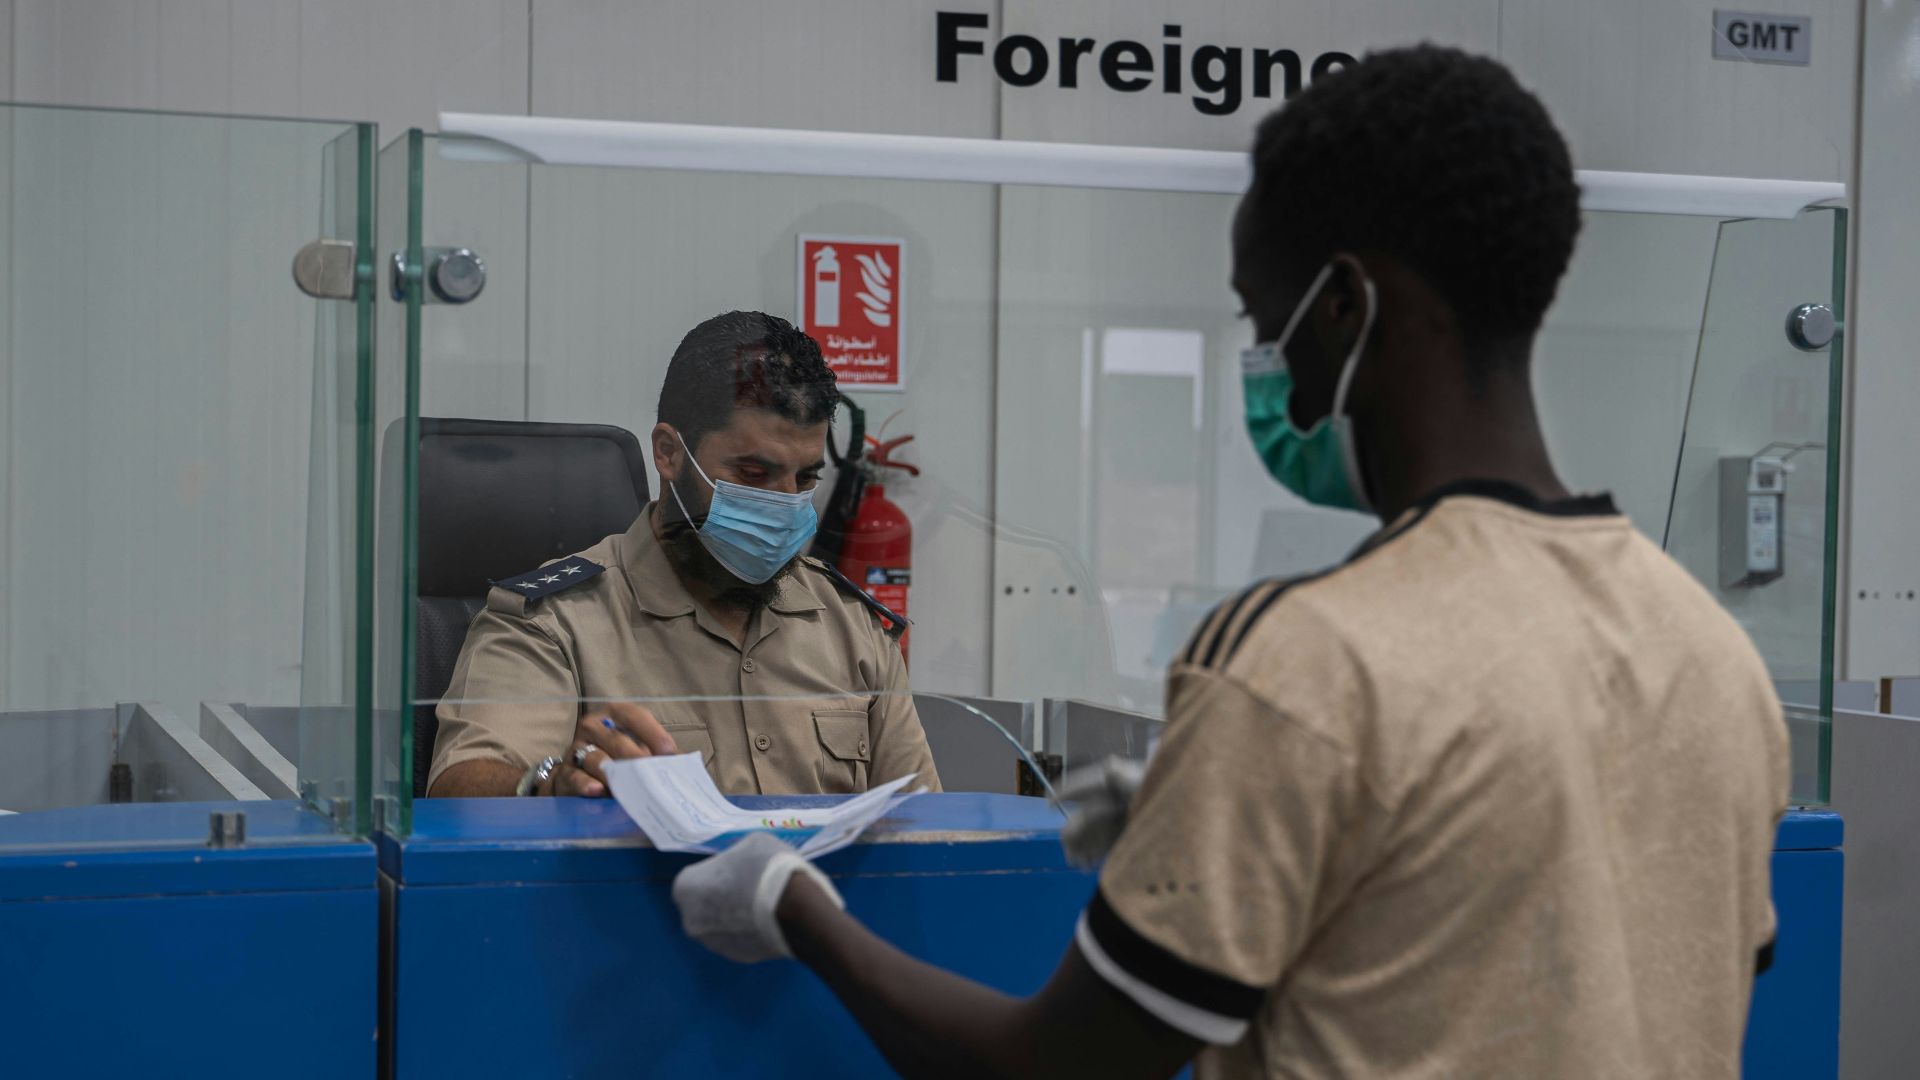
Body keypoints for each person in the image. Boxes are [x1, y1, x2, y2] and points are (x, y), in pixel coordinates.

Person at [669, 46, 1787, 1078]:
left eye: (1264, 321)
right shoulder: (1711, 653)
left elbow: (1046, 1069)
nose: (1263, 365)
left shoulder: (1306, 662)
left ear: (1343, 307)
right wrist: (1259, 816)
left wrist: (795, 908)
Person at [429, 311, 941, 799]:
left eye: (805, 478)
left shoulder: (852, 627)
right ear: (669, 453)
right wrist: (549, 786)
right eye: (754, 475)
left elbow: (928, 831)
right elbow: (461, 790)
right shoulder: (555, 623)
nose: (786, 503)